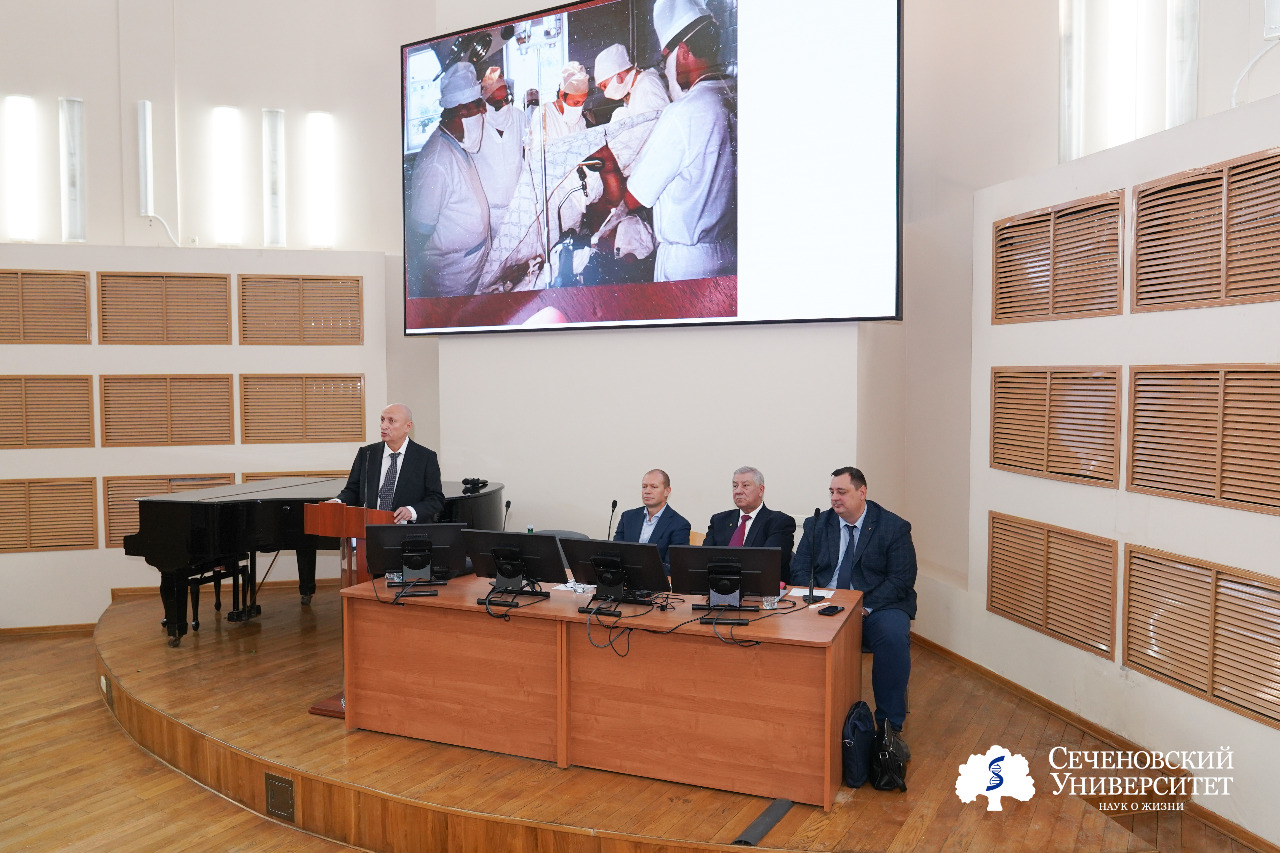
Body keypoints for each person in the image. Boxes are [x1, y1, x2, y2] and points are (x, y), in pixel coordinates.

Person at [588, 0, 736, 282]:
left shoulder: (682, 113)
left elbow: (635, 196)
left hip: (688, 264)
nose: (667, 70)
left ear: (684, 52)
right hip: (727, 252)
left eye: (665, 59)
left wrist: (609, 167)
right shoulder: (730, 95)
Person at [790, 466, 917, 757]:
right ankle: (804, 713)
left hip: (875, 605)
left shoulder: (893, 527)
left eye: (842, 492)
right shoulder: (817, 524)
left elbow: (901, 580)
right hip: (826, 602)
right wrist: (817, 599)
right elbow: (800, 569)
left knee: (893, 636)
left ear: (862, 493)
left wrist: (862, 607)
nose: (835, 498)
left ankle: (889, 726)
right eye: (831, 492)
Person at [296, 404, 445, 604]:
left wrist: (412, 510)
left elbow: (436, 499)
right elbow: (352, 490)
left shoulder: (425, 457)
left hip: (406, 536)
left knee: (404, 597)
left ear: (408, 426)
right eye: (382, 420)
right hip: (369, 536)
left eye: (391, 421)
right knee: (371, 593)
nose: (384, 425)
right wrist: (338, 501)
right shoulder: (367, 454)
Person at [406, 61, 490, 298]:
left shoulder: (458, 143)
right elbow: (419, 233)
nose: (483, 112)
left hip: (470, 268)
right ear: (462, 110)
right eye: (478, 106)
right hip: (450, 280)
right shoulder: (436, 162)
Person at [702, 466, 796, 583]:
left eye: (745, 485)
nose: (738, 491)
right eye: (735, 486)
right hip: (719, 586)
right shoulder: (719, 520)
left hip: (759, 587)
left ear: (761, 490)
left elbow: (768, 563)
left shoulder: (779, 522)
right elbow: (704, 559)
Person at [472, 67, 527, 233]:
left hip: (519, 205)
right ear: (485, 102)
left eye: (506, 99)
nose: (504, 105)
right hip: (490, 211)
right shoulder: (476, 123)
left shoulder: (518, 116)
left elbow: (528, 153)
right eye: (497, 103)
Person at [612, 468, 691, 569]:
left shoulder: (679, 524)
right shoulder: (627, 517)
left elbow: (673, 565)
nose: (647, 491)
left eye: (654, 487)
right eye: (644, 487)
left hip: (656, 577)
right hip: (626, 575)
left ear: (667, 491)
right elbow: (616, 553)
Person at [593, 43, 670, 123]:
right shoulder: (635, 88)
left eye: (604, 86)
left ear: (618, 75)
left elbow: (658, 124)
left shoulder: (647, 84)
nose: (605, 93)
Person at [527, 61, 589, 147]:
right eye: (576, 102)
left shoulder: (580, 120)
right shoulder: (544, 113)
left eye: (583, 102)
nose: (579, 107)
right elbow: (538, 150)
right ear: (562, 95)